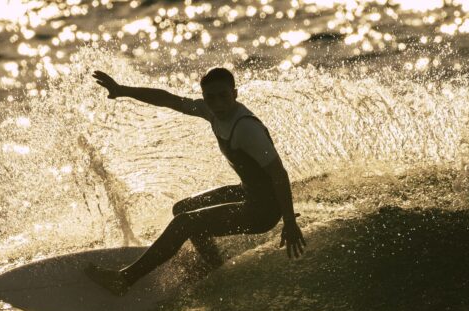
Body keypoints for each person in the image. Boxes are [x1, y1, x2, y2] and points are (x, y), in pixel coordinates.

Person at [85, 67, 305, 296]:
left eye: (223, 96)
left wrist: (289, 222)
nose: (218, 104)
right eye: (210, 97)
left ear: (235, 94)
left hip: (264, 210)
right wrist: (122, 90)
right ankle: (214, 267)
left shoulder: (247, 129)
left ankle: (124, 279)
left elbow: (279, 174)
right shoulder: (210, 111)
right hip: (248, 192)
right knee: (183, 208)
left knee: (185, 223)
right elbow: (168, 99)